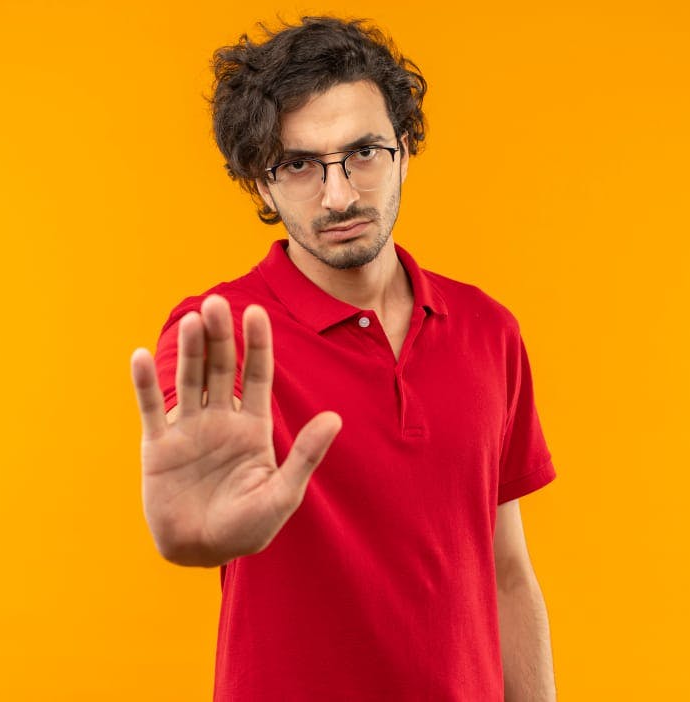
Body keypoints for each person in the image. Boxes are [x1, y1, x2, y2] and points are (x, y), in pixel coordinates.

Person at [130, 16, 558, 701]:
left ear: (405, 152)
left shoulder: (488, 330)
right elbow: (195, 470)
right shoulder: (221, 333)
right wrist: (198, 537)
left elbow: (507, 571)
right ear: (260, 187)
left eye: (363, 152)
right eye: (299, 164)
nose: (339, 195)